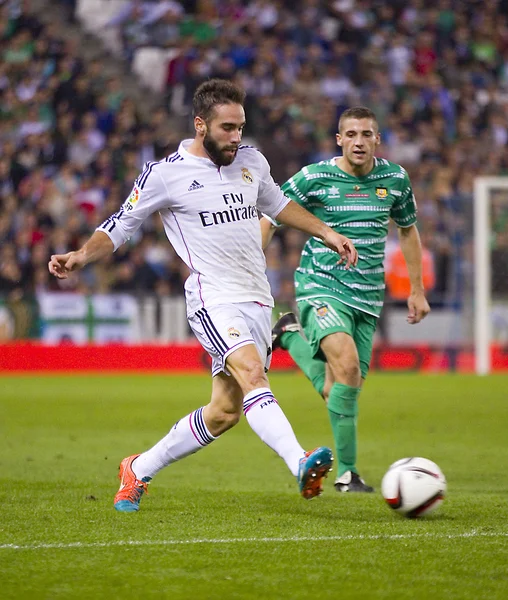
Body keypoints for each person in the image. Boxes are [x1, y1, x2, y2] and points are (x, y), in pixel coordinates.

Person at [48, 79, 358, 512]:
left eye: (241, 127)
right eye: (227, 128)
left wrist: (326, 232)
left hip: (256, 296)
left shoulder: (252, 161)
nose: (236, 137)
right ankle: (300, 462)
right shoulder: (165, 174)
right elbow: (120, 224)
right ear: (200, 125)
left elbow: (278, 206)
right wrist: (81, 255)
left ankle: (136, 469)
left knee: (225, 411)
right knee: (253, 375)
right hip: (212, 297)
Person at [261, 106, 430, 493]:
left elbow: (407, 231)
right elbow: (272, 213)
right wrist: (255, 264)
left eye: (366, 134)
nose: (358, 141)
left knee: (339, 388)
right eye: (351, 134)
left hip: (368, 297)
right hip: (320, 285)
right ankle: (348, 473)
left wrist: (417, 290)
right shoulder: (315, 176)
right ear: (339, 139)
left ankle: (287, 334)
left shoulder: (395, 179)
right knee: (349, 368)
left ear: (377, 140)